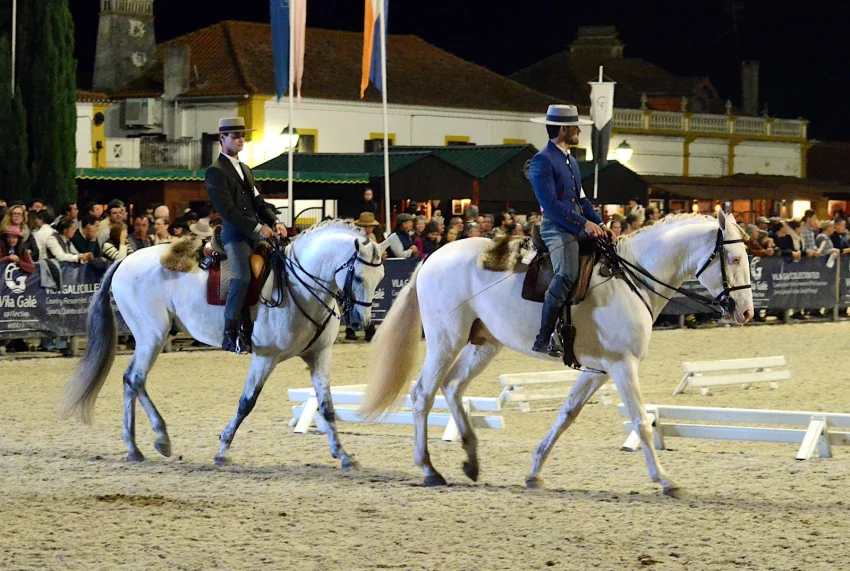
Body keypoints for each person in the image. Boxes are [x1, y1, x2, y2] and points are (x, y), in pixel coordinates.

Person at [528, 104, 604, 356]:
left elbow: (582, 200)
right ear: (563, 129)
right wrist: (584, 224)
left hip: (576, 225)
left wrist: (601, 224)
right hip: (555, 228)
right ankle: (544, 337)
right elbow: (551, 204)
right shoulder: (542, 161)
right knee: (566, 274)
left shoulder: (571, 161)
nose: (579, 132)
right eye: (576, 127)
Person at [205, 116, 285, 354]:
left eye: (243, 136)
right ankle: (230, 333)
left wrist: (275, 221)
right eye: (236, 136)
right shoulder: (215, 171)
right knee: (241, 277)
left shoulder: (246, 169)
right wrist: (258, 228)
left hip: (254, 234)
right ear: (223, 138)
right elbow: (227, 210)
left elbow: (258, 202)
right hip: (235, 235)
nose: (241, 140)